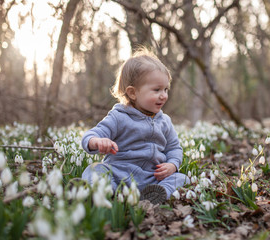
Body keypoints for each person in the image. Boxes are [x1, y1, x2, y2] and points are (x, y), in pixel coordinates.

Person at [81, 48, 190, 204]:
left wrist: (172, 165)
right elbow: (91, 135)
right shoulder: (118, 117)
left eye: (166, 89)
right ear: (132, 93)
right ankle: (103, 191)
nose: (164, 95)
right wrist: (97, 141)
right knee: (95, 170)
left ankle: (156, 195)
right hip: (119, 175)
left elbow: (174, 148)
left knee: (182, 178)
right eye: (157, 90)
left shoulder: (164, 121)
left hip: (152, 178)